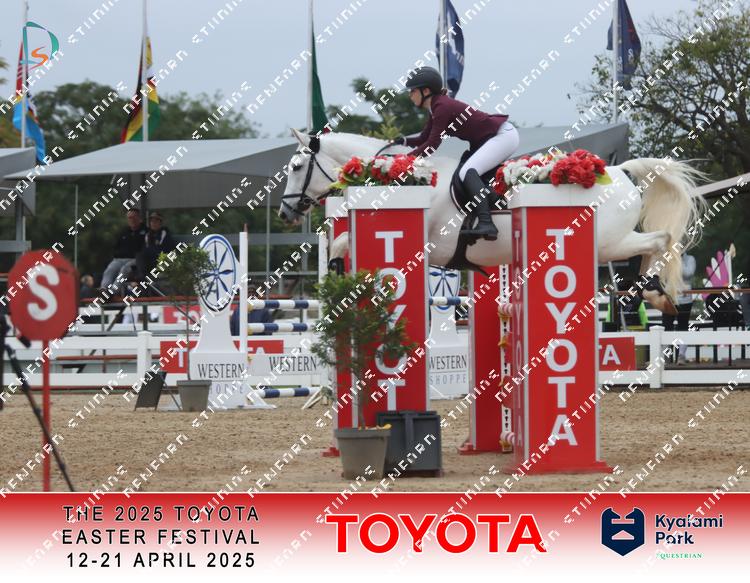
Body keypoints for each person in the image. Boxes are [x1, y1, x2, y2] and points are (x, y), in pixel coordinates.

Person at [392, 66, 520, 241]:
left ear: (426, 91)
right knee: (467, 173)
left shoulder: (441, 107)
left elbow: (432, 144)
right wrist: (404, 141)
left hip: (502, 136)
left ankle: (486, 223)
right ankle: (488, 210)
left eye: (412, 91)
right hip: (491, 139)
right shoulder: (436, 106)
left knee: (467, 172)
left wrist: (406, 161)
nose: (410, 95)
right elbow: (424, 137)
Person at [661, 253, 696, 364]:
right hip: (669, 298)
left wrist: (677, 261)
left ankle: (681, 355)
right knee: (666, 326)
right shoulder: (667, 257)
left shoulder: (690, 258)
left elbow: (689, 274)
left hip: (685, 300)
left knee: (683, 327)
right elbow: (663, 276)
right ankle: (665, 356)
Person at [101, 209, 147, 289]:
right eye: (129, 218)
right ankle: (104, 289)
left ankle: (112, 292)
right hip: (120, 259)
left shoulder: (146, 232)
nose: (132, 220)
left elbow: (146, 250)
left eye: (134, 217)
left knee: (124, 270)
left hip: (135, 260)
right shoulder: (124, 232)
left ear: (139, 218)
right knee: (110, 269)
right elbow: (116, 246)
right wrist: (117, 254)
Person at [137, 211, 176, 280]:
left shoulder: (165, 235)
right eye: (152, 221)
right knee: (139, 256)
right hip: (148, 264)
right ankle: (143, 277)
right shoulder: (148, 235)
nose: (153, 223)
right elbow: (144, 251)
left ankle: (144, 278)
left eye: (156, 221)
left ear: (160, 223)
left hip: (160, 263)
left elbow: (171, 252)